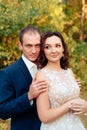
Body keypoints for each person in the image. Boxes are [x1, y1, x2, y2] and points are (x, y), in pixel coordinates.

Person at [35, 31, 87, 130]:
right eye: (47, 47)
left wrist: (85, 107)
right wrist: (69, 105)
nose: (53, 50)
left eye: (57, 45)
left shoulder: (69, 72)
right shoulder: (42, 75)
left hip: (75, 125)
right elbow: (44, 116)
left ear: (63, 48)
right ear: (43, 51)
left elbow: (76, 100)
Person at [0, 26, 48, 130]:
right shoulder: (8, 73)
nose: (34, 51)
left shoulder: (48, 67)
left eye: (37, 45)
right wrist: (28, 96)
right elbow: (3, 111)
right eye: (29, 46)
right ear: (20, 45)